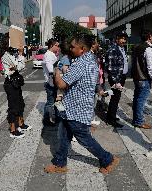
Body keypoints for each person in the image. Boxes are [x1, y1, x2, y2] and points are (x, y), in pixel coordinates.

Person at [44, 33, 119, 174]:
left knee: (84, 139)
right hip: (74, 107)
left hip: (77, 109)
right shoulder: (91, 59)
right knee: (65, 136)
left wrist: (56, 71)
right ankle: (60, 163)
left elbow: (61, 84)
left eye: (73, 47)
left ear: (82, 49)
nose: (70, 49)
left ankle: (108, 159)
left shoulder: (80, 63)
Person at [0, 33, 32, 138]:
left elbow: (18, 66)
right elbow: (20, 66)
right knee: (13, 107)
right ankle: (13, 130)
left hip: (16, 81)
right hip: (10, 83)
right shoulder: (6, 55)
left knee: (20, 104)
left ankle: (21, 124)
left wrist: (17, 65)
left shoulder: (12, 54)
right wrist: (21, 55)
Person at [131, 30, 152, 129]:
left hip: (136, 77)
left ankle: (135, 120)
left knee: (137, 99)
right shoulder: (148, 49)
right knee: (141, 101)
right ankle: (139, 121)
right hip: (144, 78)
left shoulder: (136, 47)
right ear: (149, 36)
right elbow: (151, 67)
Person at [105, 32, 128, 127]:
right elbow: (110, 67)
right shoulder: (113, 49)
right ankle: (111, 119)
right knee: (115, 98)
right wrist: (115, 81)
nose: (124, 41)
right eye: (122, 38)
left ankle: (111, 115)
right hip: (116, 77)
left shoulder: (122, 48)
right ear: (117, 39)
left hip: (121, 76)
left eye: (125, 39)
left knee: (116, 97)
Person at [42, 38, 60, 126]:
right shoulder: (48, 55)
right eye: (57, 45)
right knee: (50, 102)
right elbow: (51, 70)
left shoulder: (51, 54)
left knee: (53, 100)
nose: (58, 47)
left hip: (52, 82)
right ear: (51, 45)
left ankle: (54, 117)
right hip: (50, 82)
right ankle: (47, 120)